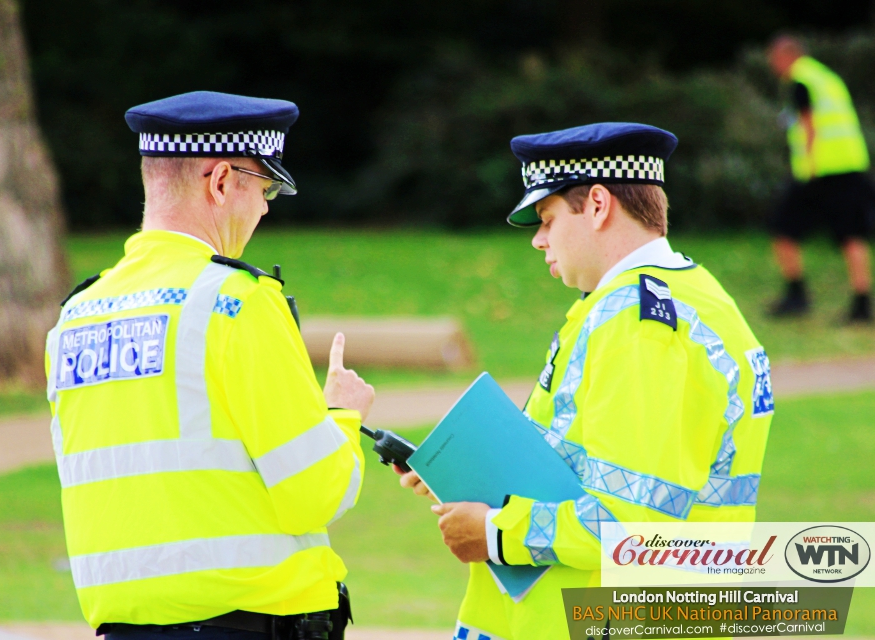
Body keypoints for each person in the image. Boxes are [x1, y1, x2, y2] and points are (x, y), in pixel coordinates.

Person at [397, 123, 774, 639]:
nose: (538, 238)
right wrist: (469, 475)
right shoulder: (683, 298)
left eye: (548, 218)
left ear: (598, 205)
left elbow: (631, 523)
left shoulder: (638, 326)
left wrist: (492, 532)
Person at [44, 91, 374, 640]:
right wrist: (342, 414)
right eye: (264, 187)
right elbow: (316, 493)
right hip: (249, 622)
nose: (265, 206)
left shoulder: (75, 314)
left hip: (124, 626)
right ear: (221, 181)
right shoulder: (236, 299)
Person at [766, 35, 875, 322]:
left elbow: (809, 125)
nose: (773, 67)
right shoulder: (826, 77)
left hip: (819, 171)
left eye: (774, 60)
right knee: (852, 235)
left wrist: (807, 169)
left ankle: (796, 296)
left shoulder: (801, 80)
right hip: (850, 165)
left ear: (787, 56)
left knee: (782, 227)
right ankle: (862, 304)